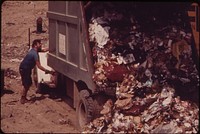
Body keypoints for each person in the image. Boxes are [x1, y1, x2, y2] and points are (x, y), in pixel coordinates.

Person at [19, 39, 53, 104]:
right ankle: (23, 99)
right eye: (39, 43)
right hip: (24, 69)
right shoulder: (34, 54)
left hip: (26, 69)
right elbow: (39, 66)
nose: (41, 44)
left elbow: (44, 50)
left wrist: (53, 48)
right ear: (35, 45)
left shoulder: (35, 50)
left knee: (28, 83)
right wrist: (48, 71)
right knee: (26, 84)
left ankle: (24, 97)